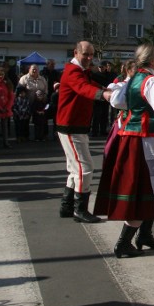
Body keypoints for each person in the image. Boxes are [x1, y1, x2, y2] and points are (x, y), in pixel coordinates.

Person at [94, 45, 154, 259]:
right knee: (145, 187)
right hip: (145, 141)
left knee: (150, 187)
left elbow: (117, 100)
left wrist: (136, 109)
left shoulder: (132, 80)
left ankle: (144, 235)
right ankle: (124, 242)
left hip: (130, 138)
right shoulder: (151, 81)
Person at [55, 41, 112, 223]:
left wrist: (106, 89)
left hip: (75, 125)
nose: (89, 58)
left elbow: (90, 83)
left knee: (74, 168)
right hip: (71, 125)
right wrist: (103, 95)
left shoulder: (81, 71)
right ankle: (80, 209)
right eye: (85, 54)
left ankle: (67, 206)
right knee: (85, 168)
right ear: (76, 53)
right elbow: (83, 88)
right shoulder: (73, 71)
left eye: (91, 55)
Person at [91, 61, 116, 136]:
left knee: (105, 114)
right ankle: (94, 131)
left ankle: (103, 130)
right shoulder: (95, 75)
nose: (100, 68)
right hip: (97, 97)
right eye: (99, 67)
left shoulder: (110, 75)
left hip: (106, 96)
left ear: (105, 67)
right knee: (96, 115)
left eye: (102, 67)